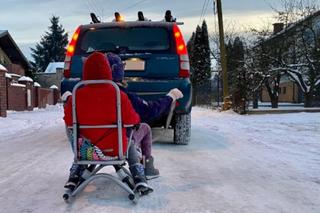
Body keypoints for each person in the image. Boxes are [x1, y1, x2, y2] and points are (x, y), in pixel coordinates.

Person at [63, 52, 152, 194]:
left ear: (85, 71)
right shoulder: (117, 94)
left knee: (74, 131)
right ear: (107, 70)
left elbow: (68, 122)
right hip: (116, 149)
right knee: (128, 138)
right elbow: (132, 120)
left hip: (87, 151)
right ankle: (138, 174)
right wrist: (135, 122)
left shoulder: (76, 95)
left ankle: (76, 172)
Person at [106, 53, 183, 178]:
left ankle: (80, 171)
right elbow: (149, 110)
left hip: (91, 148)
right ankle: (147, 167)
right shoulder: (124, 96)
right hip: (118, 145)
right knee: (145, 127)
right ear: (118, 71)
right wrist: (170, 97)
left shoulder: (82, 93)